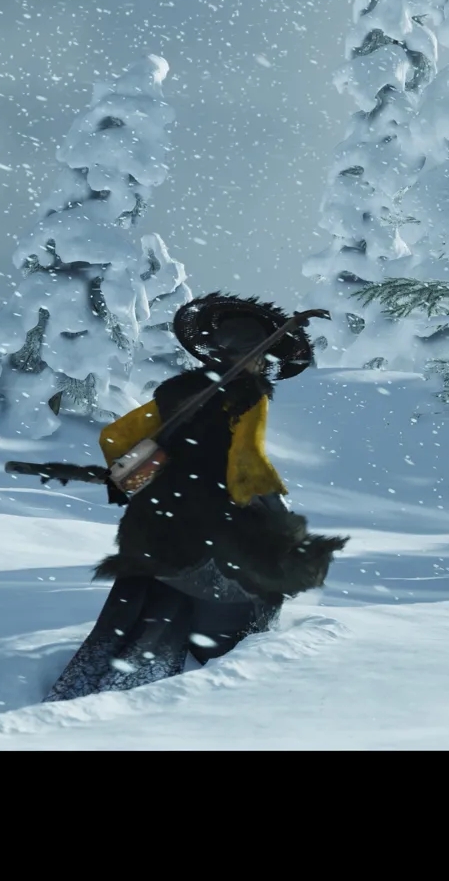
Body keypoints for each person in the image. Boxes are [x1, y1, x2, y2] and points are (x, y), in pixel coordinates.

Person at [45, 293, 347, 702]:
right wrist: (276, 510)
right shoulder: (249, 393)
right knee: (252, 591)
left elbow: (114, 436)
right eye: (265, 359)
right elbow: (247, 461)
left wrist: (156, 476)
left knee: (156, 594)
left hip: (153, 520)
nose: (265, 367)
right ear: (254, 356)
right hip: (210, 521)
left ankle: (118, 675)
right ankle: (212, 688)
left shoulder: (177, 391)